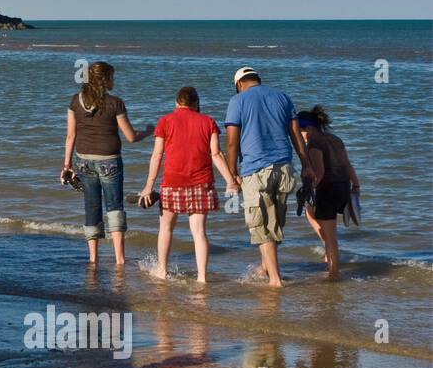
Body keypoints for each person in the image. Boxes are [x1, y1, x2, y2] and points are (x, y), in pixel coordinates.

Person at [223, 67, 311, 287]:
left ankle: (275, 279)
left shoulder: (238, 100)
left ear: (239, 84)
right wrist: (306, 165)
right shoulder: (282, 97)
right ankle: (265, 268)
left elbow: (232, 141)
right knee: (274, 223)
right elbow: (296, 135)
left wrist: (232, 171)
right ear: (258, 81)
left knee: (261, 227)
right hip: (284, 168)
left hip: (255, 170)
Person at [140, 86, 237, 283]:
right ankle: (202, 277)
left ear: (177, 103)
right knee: (199, 232)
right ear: (196, 104)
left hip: (172, 182)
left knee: (166, 228)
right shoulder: (208, 121)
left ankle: (162, 270)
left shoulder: (165, 121)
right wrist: (230, 181)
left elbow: (157, 155)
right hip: (201, 183)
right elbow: (216, 154)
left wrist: (148, 186)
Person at [62, 61, 154, 266]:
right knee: (114, 207)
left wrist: (66, 165)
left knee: (91, 207)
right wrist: (148, 131)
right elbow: (130, 136)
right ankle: (119, 259)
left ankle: (93, 259)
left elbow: (70, 136)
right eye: (111, 77)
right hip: (110, 161)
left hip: (83, 161)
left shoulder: (75, 101)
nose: (114, 81)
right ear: (103, 80)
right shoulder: (115, 103)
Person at [297, 106, 360, 277]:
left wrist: (308, 189)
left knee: (331, 237)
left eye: (300, 131)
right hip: (343, 187)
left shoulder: (313, 145)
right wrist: (356, 186)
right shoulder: (335, 139)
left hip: (328, 190)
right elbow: (347, 164)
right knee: (310, 212)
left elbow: (320, 172)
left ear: (308, 129)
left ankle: (333, 274)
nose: (299, 135)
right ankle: (328, 252)